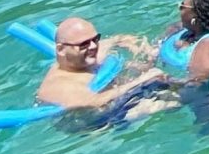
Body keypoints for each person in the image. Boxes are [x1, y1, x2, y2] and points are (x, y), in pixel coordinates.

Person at [33, 17, 170, 115]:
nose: (93, 46)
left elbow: (115, 40)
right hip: (97, 121)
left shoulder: (83, 55)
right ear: (61, 50)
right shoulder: (60, 85)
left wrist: (131, 42)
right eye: (84, 44)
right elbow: (94, 102)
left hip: (115, 94)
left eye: (95, 39)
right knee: (176, 98)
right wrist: (142, 80)